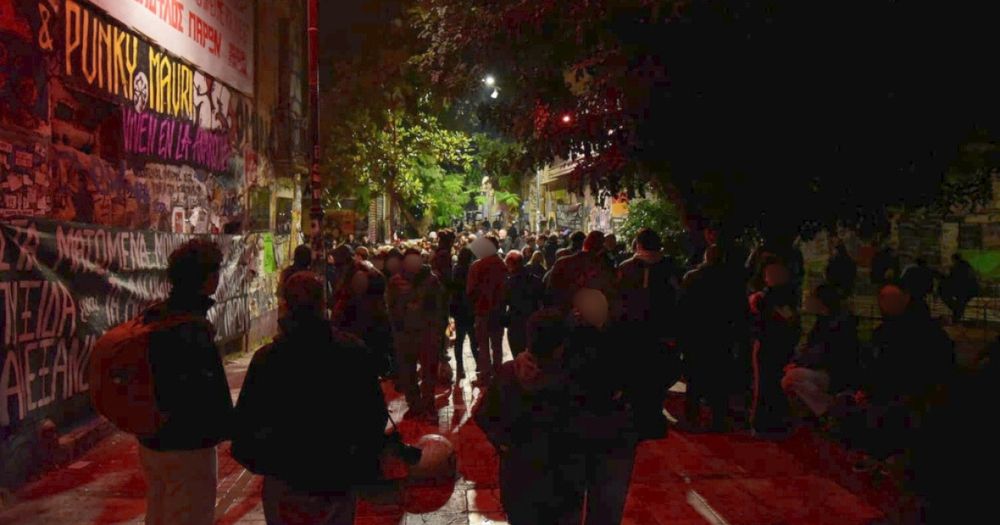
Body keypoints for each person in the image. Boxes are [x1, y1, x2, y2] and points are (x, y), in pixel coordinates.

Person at [232, 272, 388, 525]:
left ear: (285, 306)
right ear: (323, 304)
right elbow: (374, 415)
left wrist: (271, 463)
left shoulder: (268, 359)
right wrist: (355, 460)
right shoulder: (351, 351)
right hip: (337, 476)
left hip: (285, 478)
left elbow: (245, 427)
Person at [138, 239, 233, 525]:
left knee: (158, 513)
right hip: (188, 445)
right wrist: (228, 427)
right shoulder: (193, 328)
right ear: (207, 278)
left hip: (151, 440)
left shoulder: (155, 317)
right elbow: (209, 392)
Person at [475, 309, 578, 525]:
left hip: (518, 478)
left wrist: (502, 444)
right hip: (559, 483)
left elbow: (482, 415)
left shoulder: (507, 373)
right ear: (559, 347)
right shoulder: (566, 380)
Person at [850, 283, 954, 472]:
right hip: (887, 388)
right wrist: (866, 387)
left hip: (915, 389)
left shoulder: (926, 330)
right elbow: (873, 365)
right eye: (884, 299)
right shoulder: (882, 331)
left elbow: (936, 365)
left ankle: (888, 456)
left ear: (906, 298)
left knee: (889, 409)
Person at [616, 228, 681, 437]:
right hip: (662, 333)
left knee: (636, 375)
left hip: (633, 334)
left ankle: (639, 416)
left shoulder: (626, 268)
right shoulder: (670, 268)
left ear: (638, 244)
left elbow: (618, 302)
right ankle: (653, 415)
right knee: (658, 376)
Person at [781, 284, 860, 419]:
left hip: (833, 374)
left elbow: (823, 353)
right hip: (823, 370)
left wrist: (799, 363)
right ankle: (821, 412)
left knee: (792, 378)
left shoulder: (837, 325)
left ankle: (826, 409)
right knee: (789, 380)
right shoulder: (823, 322)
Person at [387, 249, 447, 417]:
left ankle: (427, 406)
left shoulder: (431, 280)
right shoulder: (396, 282)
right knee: (408, 373)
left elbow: (439, 308)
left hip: (426, 333)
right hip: (405, 333)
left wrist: (437, 331)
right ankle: (414, 405)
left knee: (428, 373)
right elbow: (391, 307)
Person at [749, 259, 801, 438]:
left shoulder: (788, 296)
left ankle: (774, 421)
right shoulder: (761, 298)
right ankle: (762, 423)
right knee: (764, 382)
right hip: (766, 343)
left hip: (782, 344)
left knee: (775, 382)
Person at [468, 235, 509, 384]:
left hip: (482, 310)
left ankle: (485, 375)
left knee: (483, 345)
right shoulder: (502, 265)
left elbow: (470, 291)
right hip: (498, 310)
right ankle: (498, 374)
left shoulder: (477, 266)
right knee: (497, 345)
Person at [545, 231, 617, 312]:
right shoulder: (600, 268)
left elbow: (550, 291)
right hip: (591, 312)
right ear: (602, 249)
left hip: (564, 311)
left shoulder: (562, 262)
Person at [504, 250, 545, 357]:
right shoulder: (536, 280)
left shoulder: (509, 283)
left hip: (516, 323)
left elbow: (505, 301)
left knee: (518, 355)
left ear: (511, 265)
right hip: (533, 320)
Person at [451, 247, 480, 380]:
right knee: (473, 338)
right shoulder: (471, 269)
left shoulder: (456, 270)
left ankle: (460, 367)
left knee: (460, 339)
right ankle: (478, 364)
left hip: (459, 309)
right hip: (470, 308)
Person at [939, 253, 979, 322]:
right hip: (970, 289)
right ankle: (957, 316)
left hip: (962, 288)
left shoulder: (957, 267)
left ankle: (956, 315)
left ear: (954, 259)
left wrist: (944, 277)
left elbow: (953, 278)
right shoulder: (967, 266)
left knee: (956, 302)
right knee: (961, 303)